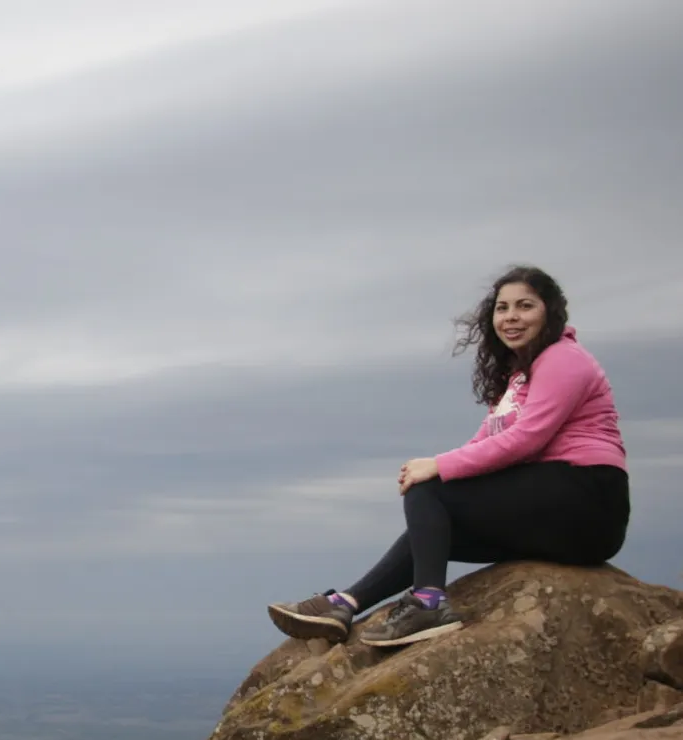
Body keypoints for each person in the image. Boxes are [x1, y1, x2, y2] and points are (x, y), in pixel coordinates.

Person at [268, 265, 630, 648]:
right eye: (502, 308)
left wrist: (437, 467)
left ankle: (428, 603)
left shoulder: (563, 358)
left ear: (550, 312)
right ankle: (345, 605)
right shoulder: (518, 378)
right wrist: (438, 468)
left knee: (432, 490)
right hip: (558, 512)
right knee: (434, 528)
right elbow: (483, 445)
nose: (511, 317)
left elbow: (527, 439)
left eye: (525, 306)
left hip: (589, 500)